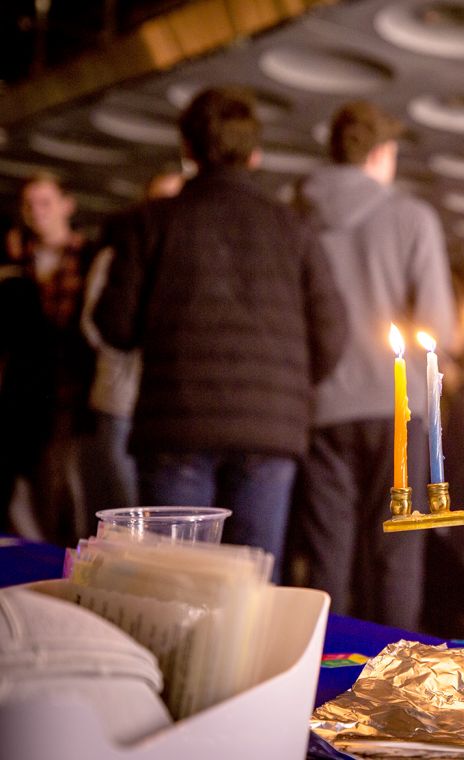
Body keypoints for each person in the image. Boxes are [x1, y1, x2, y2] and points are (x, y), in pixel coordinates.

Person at [94, 87, 347, 577]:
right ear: (255, 154)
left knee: (174, 581)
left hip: (176, 422)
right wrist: (284, 386)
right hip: (270, 425)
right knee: (252, 585)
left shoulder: (151, 222)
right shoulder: (294, 229)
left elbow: (116, 326)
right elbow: (332, 334)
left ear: (187, 150)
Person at [289, 100, 454, 627]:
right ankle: (392, 687)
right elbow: (437, 324)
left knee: (326, 554)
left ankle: (320, 679)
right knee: (397, 553)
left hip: (321, 406)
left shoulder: (297, 218)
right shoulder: (411, 218)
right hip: (399, 406)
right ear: (383, 154)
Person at [78, 166, 185, 527]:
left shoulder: (189, 260)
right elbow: (95, 322)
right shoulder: (118, 254)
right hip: (121, 398)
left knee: (167, 515)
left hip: (170, 404)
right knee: (124, 510)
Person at [2, 172, 97, 545]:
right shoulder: (14, 263)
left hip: (73, 394)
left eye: (45, 202)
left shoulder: (89, 256)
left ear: (66, 205)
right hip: (22, 396)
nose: (37, 212)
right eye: (29, 204)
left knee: (64, 489)